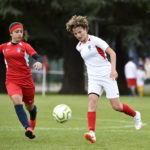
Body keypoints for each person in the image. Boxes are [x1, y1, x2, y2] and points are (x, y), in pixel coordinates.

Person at [66, 15, 142, 143]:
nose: (78, 35)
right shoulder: (78, 47)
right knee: (92, 102)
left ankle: (135, 114)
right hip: (93, 78)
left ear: (86, 29)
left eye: (80, 32)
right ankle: (92, 133)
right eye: (75, 34)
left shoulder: (95, 40)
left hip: (107, 75)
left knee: (116, 106)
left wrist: (113, 70)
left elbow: (112, 53)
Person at [0, 22, 43, 139]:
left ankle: (33, 115)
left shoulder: (25, 46)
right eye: (17, 32)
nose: (19, 34)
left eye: (21, 31)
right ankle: (28, 128)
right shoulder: (4, 47)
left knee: (30, 107)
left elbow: (37, 56)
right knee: (17, 102)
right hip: (12, 81)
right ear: (11, 33)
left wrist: (39, 61)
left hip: (27, 81)